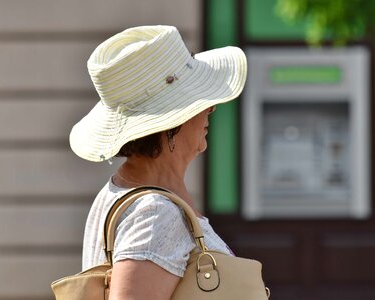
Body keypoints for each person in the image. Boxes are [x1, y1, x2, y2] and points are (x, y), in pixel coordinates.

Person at [69, 25, 247, 300]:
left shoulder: (127, 194)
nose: (211, 108)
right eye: (199, 100)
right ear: (170, 126)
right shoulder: (154, 214)